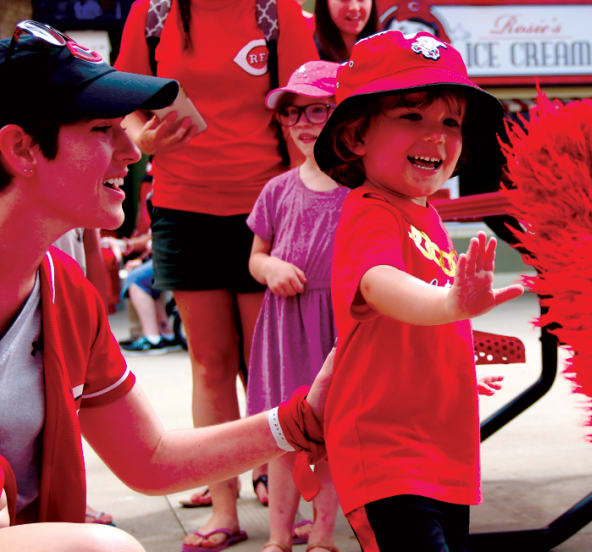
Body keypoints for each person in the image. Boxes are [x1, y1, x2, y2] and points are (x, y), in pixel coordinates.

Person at [0, 20, 327, 551]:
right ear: (21, 150)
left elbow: (151, 460)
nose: (132, 152)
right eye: (101, 130)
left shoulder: (66, 292)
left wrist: (307, 416)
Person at [113, 0, 317, 546]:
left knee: (265, 365)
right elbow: (124, 99)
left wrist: (303, 206)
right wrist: (143, 140)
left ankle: (282, 496)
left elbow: (310, 103)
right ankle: (222, 507)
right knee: (209, 363)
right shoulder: (152, 14)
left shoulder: (277, 12)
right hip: (183, 206)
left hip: (266, 209)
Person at [317, 30, 517, 551]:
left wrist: (449, 365)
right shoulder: (371, 209)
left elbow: (417, 317)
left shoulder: (425, 216)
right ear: (356, 136)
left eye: (450, 122)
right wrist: (450, 304)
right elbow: (380, 284)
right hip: (387, 453)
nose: (437, 136)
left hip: (442, 449)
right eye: (412, 117)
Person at [243, 59, 343, 552]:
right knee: (281, 438)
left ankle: (322, 534)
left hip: (335, 331)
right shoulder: (277, 190)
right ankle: (278, 538)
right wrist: (272, 269)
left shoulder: (362, 193)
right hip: (284, 329)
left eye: (317, 111)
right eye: (292, 113)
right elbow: (256, 257)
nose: (303, 123)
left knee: (329, 440)